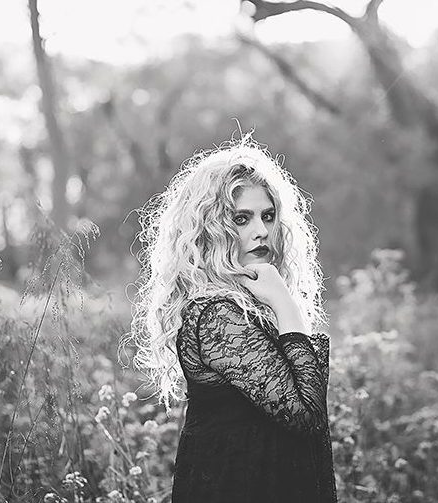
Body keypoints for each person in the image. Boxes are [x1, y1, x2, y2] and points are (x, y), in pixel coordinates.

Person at [128, 134, 338, 502]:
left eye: (268, 216)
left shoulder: (251, 306)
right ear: (211, 229)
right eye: (242, 218)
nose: (261, 231)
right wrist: (286, 305)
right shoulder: (214, 316)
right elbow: (306, 415)